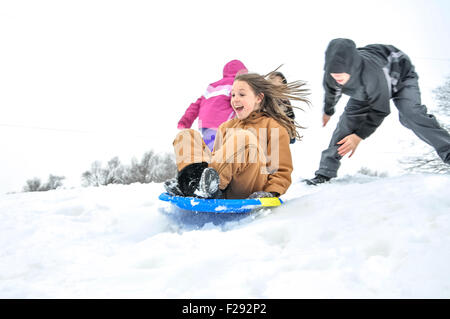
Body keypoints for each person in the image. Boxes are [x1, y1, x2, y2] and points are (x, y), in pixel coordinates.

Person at [306, 38, 450, 185]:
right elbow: (331, 93)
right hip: (365, 90)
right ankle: (325, 173)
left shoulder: (371, 73)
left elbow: (380, 110)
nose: (338, 78)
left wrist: (358, 136)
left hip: (400, 76)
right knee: (346, 124)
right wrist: (328, 111)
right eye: (334, 75)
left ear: (352, 67)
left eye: (342, 75)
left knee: (411, 114)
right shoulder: (331, 75)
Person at [165, 70, 311, 199]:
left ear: (258, 98)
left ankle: (206, 188)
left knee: (244, 138)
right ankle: (191, 185)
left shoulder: (272, 126)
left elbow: (280, 170)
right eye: (233, 94)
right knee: (187, 135)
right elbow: (217, 158)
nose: (235, 99)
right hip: (221, 187)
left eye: (241, 94)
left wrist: (271, 193)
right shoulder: (226, 126)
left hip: (250, 186)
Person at [177, 60, 248, 151]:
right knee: (219, 149)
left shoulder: (212, 87)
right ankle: (211, 162)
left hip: (205, 124)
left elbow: (195, 105)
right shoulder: (236, 85)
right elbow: (241, 102)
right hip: (222, 122)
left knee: (211, 144)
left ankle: (204, 158)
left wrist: (184, 122)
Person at [268, 71, 297, 144]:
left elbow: (292, 138)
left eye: (279, 86)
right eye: (273, 85)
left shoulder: (286, 104)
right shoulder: (261, 103)